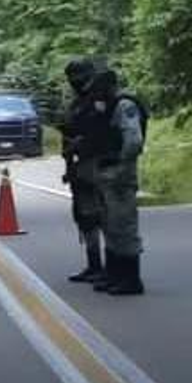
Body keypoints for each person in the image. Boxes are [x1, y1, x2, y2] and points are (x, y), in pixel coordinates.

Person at [81, 63, 148, 296]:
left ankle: (131, 279)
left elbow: (133, 141)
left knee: (123, 226)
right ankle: (115, 275)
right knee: (110, 226)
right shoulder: (107, 107)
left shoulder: (124, 105)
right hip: (106, 173)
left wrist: (121, 167)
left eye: (98, 89)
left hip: (120, 174)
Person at [60, 60, 107, 284]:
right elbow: (67, 135)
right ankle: (94, 264)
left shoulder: (101, 102)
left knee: (102, 216)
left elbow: (102, 135)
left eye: (78, 77)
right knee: (85, 217)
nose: (75, 82)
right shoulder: (77, 104)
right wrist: (69, 167)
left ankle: (109, 266)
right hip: (80, 168)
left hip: (98, 166)